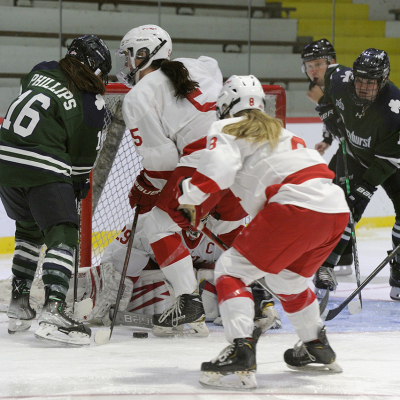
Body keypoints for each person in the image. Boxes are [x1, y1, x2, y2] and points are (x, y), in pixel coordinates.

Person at [170, 75, 349, 389]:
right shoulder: (280, 130)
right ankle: (315, 344)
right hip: (334, 210)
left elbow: (219, 170)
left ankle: (241, 350)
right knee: (288, 279)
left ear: (226, 105)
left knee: (230, 269)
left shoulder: (226, 126)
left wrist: (190, 198)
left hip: (293, 207)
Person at [115, 24, 247, 337]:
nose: (127, 64)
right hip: (237, 154)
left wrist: (145, 186)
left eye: (132, 56)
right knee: (229, 229)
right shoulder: (199, 65)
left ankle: (188, 300)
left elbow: (162, 164)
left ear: (147, 54)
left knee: (158, 224)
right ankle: (264, 295)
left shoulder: (138, 96)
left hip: (202, 160)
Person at [0, 35, 112, 346]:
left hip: (5, 162)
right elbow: (81, 161)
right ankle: (54, 310)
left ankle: (19, 305)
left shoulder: (42, 69)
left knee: (28, 230)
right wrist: (78, 184)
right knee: (62, 232)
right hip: (43, 165)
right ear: (94, 67)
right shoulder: (92, 101)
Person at [74, 213, 282, 333]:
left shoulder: (228, 231)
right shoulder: (151, 225)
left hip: (199, 302)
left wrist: (261, 297)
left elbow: (258, 264)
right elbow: (113, 263)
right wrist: (114, 289)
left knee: (209, 282)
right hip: (146, 290)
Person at [314, 48, 400, 302]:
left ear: (382, 81)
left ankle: (398, 271)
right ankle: (325, 266)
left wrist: (365, 189)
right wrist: (327, 110)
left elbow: (386, 162)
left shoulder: (394, 109)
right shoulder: (339, 79)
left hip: (388, 162)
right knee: (345, 208)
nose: (363, 87)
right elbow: (323, 79)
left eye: (370, 82)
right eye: (360, 80)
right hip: (353, 156)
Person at [301, 39, 354, 293]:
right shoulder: (329, 83)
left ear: (331, 62)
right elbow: (337, 119)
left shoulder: (341, 81)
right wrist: (326, 139)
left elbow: (348, 124)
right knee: (339, 197)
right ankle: (338, 259)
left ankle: (334, 260)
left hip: (367, 149)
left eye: (318, 64)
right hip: (353, 148)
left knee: (344, 200)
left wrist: (322, 103)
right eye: (309, 65)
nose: (313, 70)